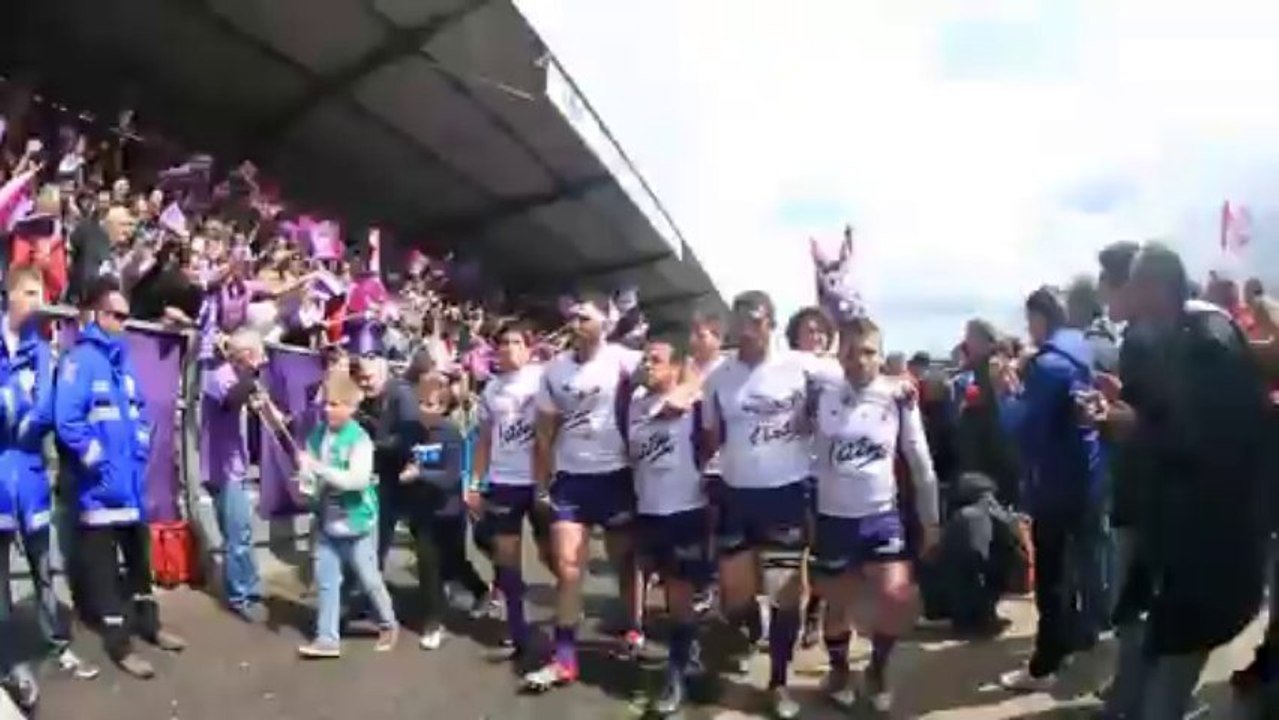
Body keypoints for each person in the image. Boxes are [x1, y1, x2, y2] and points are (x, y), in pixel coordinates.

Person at [1091, 243, 1269, 719]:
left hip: (1213, 550)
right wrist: (1130, 407)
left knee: (1165, 692)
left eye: (1134, 283)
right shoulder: (1176, 335)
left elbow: (1217, 440)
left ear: (1153, 286)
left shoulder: (1206, 338)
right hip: (1180, 547)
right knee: (1154, 670)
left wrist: (1137, 426)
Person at [699, 290, 837, 719]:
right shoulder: (719, 376)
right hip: (737, 495)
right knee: (736, 595)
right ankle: (750, 629)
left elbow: (854, 377)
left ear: (771, 324)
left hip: (786, 495)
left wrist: (899, 385)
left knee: (785, 595)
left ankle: (778, 681)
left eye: (756, 320)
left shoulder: (801, 365)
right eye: (740, 319)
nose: (747, 328)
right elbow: (710, 436)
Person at [54, 277, 186, 679]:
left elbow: (139, 414)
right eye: (116, 315)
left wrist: (140, 452)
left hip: (130, 489)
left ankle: (151, 625)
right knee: (106, 577)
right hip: (97, 494)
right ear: (96, 314)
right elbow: (67, 420)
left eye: (128, 317)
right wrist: (97, 461)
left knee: (139, 567)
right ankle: (120, 645)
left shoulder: (123, 361)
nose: (122, 323)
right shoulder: (80, 359)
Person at [811, 316, 940, 714]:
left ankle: (878, 670)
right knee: (838, 607)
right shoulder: (820, 393)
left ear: (881, 356)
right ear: (838, 354)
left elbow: (920, 461)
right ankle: (838, 671)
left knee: (895, 598)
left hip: (881, 516)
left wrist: (931, 521)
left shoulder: (899, 398)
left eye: (868, 352)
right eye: (850, 351)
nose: (859, 360)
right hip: (833, 518)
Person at [522, 293, 649, 691]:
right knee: (568, 568)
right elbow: (543, 432)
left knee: (623, 562)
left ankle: (633, 627)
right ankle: (563, 658)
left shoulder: (624, 360)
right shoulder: (554, 369)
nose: (576, 323)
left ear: (605, 324)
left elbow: (671, 377)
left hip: (616, 477)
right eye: (573, 317)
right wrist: (542, 483)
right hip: (571, 480)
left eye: (585, 317)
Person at [995, 286, 1103, 691]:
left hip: (1055, 482)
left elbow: (1019, 426)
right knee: (1081, 568)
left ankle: (1044, 666)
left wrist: (1005, 389)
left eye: (1030, 321)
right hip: (1087, 475)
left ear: (1040, 318)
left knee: (1053, 577)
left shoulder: (1048, 364)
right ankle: (1078, 639)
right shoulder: (1081, 349)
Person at [0, 267, 98, 711]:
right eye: (31, 292)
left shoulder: (41, 348)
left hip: (30, 468)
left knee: (44, 564)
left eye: (42, 292)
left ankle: (56, 645)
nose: (39, 300)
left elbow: (44, 406)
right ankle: (8, 661)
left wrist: (23, 416)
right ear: (12, 293)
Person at [627, 340, 711, 716]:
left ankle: (675, 675)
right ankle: (688, 649)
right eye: (645, 358)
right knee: (668, 593)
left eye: (656, 360)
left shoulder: (694, 405)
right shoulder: (633, 406)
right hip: (648, 512)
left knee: (678, 595)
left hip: (685, 511)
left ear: (676, 367)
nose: (647, 365)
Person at [295, 371, 399, 658]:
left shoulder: (360, 440)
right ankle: (327, 638)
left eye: (336, 404)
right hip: (328, 522)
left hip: (358, 523)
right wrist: (306, 478)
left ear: (352, 407)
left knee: (369, 579)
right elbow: (312, 479)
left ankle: (389, 623)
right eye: (327, 403)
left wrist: (318, 469)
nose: (329, 409)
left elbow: (357, 481)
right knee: (327, 579)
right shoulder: (317, 435)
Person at [468, 321, 544, 660]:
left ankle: (568, 603)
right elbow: (484, 439)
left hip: (541, 482)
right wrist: (475, 482)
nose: (509, 348)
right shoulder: (491, 390)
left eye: (517, 342)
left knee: (553, 554)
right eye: (504, 343)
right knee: (507, 558)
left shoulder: (544, 379)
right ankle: (517, 628)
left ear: (529, 349)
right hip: (503, 482)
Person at [199, 327, 269, 623]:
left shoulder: (239, 377)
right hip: (221, 468)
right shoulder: (218, 376)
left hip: (235, 464)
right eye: (258, 355)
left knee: (242, 532)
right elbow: (230, 399)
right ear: (248, 356)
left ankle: (250, 587)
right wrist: (251, 377)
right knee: (237, 536)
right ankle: (240, 595)